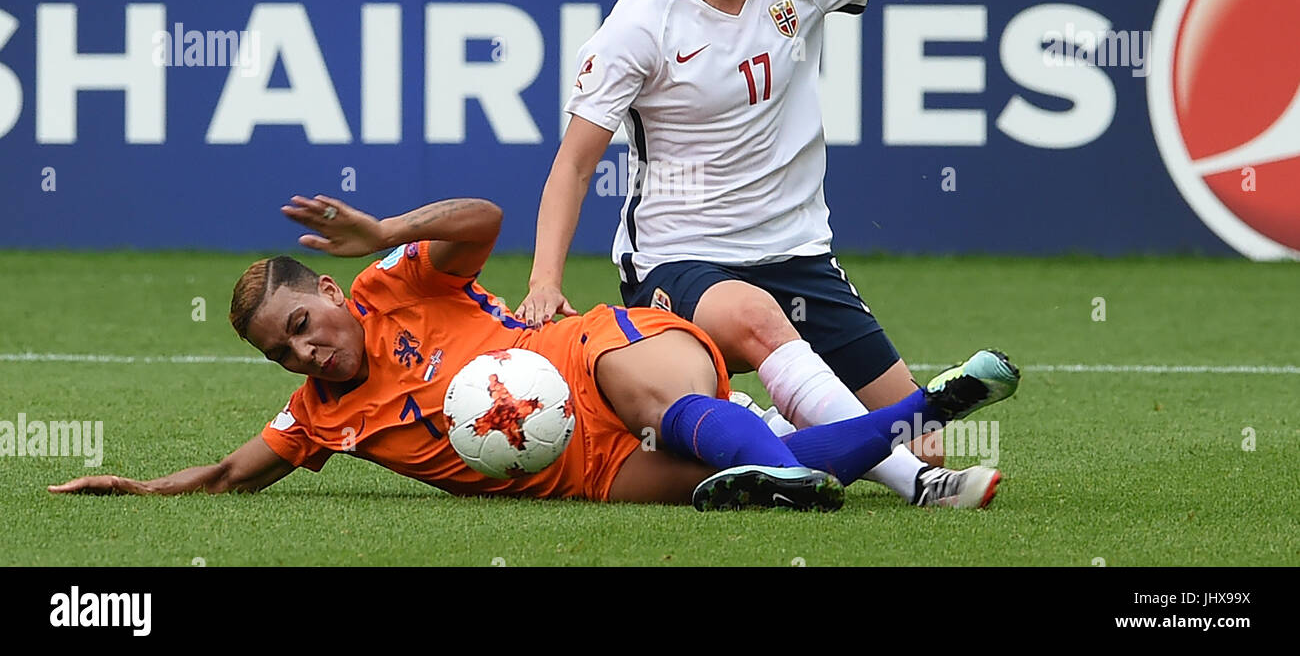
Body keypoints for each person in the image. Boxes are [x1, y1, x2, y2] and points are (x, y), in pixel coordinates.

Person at [516, 0, 1136, 505]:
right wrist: (545, 279)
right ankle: (923, 485)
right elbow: (575, 164)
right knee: (763, 322)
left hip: (799, 257)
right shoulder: (640, 22)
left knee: (913, 430)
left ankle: (790, 429)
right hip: (677, 262)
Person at [48, 195, 1018, 510]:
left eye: (301, 325)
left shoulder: (394, 282)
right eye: (281, 352)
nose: (301, 353)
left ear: (332, 292)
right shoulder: (321, 419)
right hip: (583, 470)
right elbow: (229, 473)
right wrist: (144, 493)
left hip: (589, 351)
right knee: (770, 473)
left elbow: (483, 220)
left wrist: (381, 226)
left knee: (694, 423)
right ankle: (922, 416)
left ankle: (823, 440)